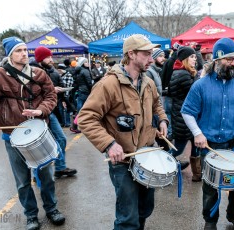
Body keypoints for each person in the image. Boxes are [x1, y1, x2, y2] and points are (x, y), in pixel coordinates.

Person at [0, 37, 65, 230]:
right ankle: (31, 215)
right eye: (18, 50)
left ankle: (52, 209)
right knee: (23, 181)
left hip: (39, 133)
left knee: (46, 175)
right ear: (10, 55)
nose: (24, 53)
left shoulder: (39, 73)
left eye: (25, 49)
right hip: (13, 136)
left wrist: (42, 110)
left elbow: (51, 95)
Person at [77, 34, 168, 230]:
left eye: (152, 54)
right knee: (127, 218)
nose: (151, 59)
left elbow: (157, 104)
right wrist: (109, 144)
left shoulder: (148, 82)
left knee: (144, 209)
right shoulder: (107, 84)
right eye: (146, 54)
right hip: (123, 160)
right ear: (131, 54)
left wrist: (162, 119)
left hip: (147, 155)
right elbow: (85, 118)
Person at [181, 37, 234, 230]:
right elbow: (187, 111)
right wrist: (197, 133)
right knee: (210, 186)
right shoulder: (200, 85)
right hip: (210, 144)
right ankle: (210, 219)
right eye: (230, 59)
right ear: (217, 59)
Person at [31, 46, 77, 179]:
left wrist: (60, 97)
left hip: (51, 111)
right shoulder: (32, 72)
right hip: (38, 113)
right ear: (40, 59)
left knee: (61, 138)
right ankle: (37, 173)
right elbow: (30, 93)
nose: (51, 60)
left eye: (51, 57)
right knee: (39, 144)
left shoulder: (51, 71)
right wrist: (51, 90)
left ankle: (60, 167)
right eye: (48, 57)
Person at [169, 46, 200, 179]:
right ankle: (164, 163)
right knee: (179, 148)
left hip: (184, 114)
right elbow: (195, 92)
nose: (195, 59)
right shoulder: (183, 74)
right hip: (184, 117)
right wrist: (201, 77)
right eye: (192, 57)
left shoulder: (181, 72)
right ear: (185, 59)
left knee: (195, 143)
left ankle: (197, 173)